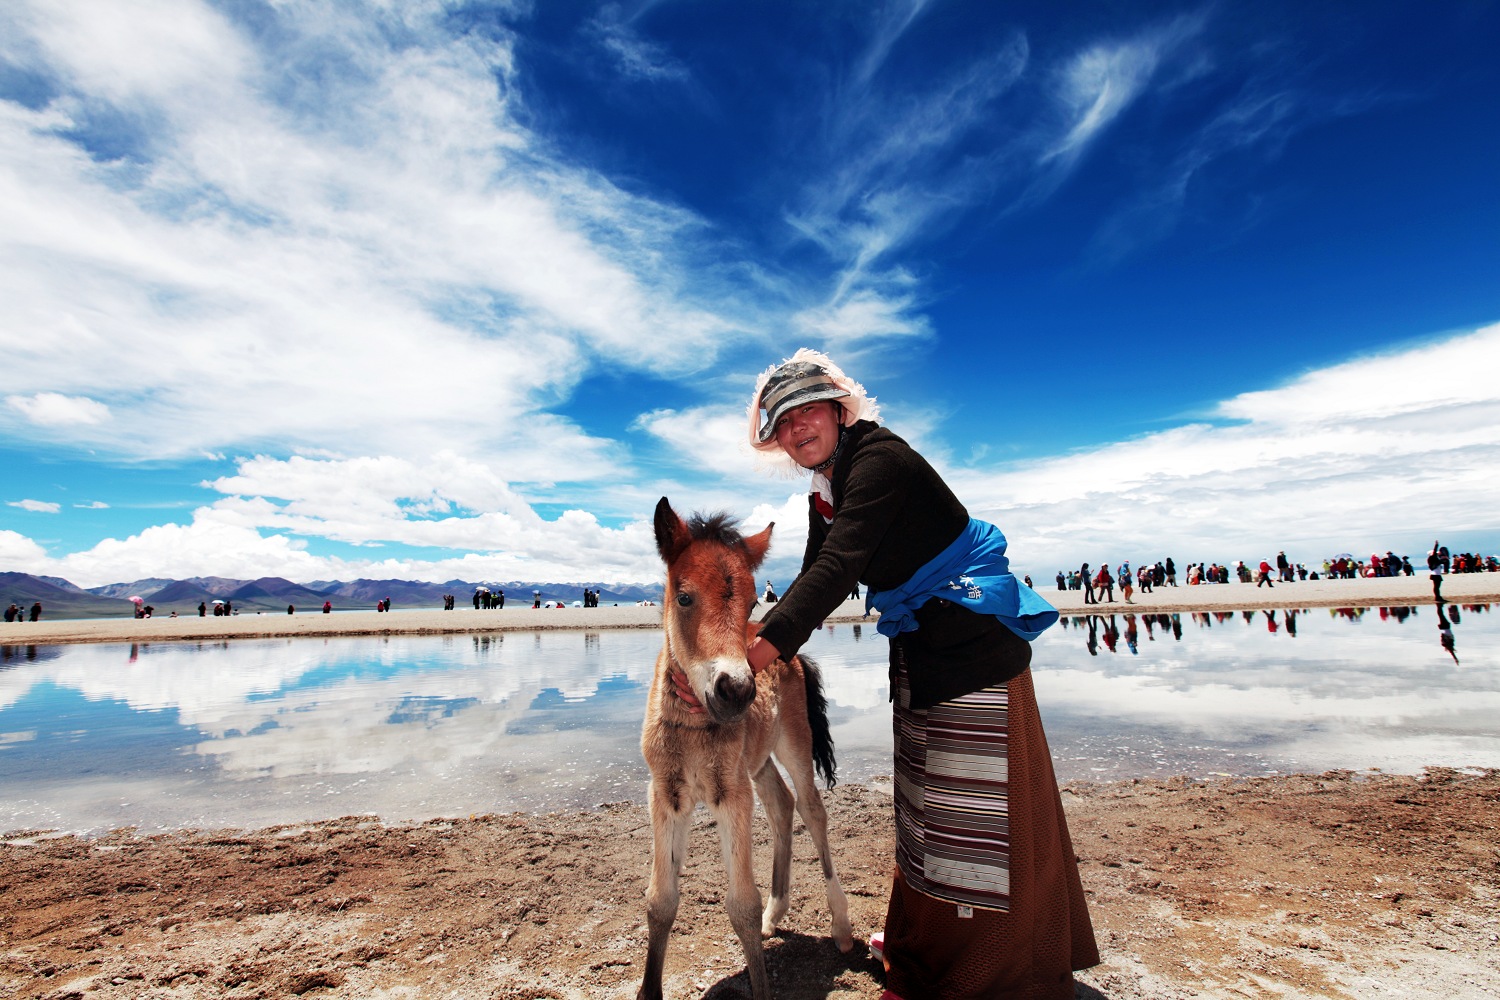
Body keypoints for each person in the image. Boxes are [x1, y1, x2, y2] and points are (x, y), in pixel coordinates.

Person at [742, 350, 1097, 1000]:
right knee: (929, 812)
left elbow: (839, 569)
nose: (797, 431)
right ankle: (922, 950)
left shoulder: (879, 460)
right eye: (783, 423)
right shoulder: (831, 489)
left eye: (806, 412)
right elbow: (811, 579)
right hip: (924, 650)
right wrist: (745, 637)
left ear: (838, 409)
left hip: (970, 653)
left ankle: (979, 978)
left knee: (973, 820)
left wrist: (753, 657)